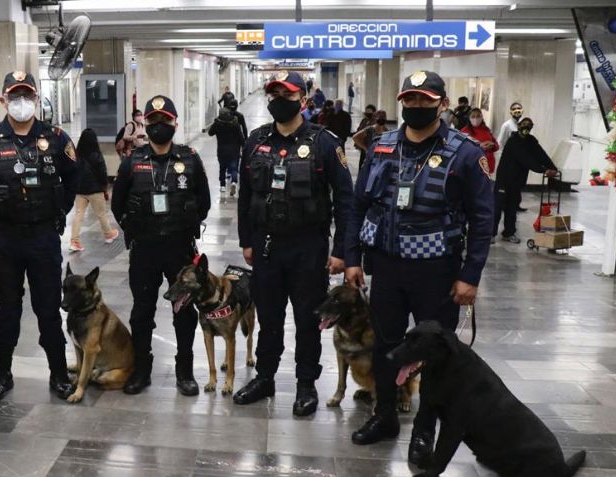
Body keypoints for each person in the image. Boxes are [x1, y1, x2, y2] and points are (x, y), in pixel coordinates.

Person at [344, 71, 494, 469]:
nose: (415, 106)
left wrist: (470, 275)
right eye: (409, 99)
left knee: (435, 356)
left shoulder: (464, 152)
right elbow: (359, 206)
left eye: (425, 100)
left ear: (443, 104)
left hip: (437, 272)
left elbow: (483, 220)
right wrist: (353, 257)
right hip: (387, 268)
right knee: (386, 345)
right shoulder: (381, 146)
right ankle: (385, 415)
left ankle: (424, 430)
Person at [234, 71, 353, 417]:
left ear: (303, 99)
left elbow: (345, 199)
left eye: (286, 95)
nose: (278, 101)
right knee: (268, 317)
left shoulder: (325, 142)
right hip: (267, 246)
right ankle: (265, 377)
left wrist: (341, 250)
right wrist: (246, 240)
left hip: (308, 248)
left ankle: (306, 383)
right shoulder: (255, 141)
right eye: (273, 95)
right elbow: (246, 195)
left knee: (307, 319)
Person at [0, 71, 78, 403]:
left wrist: (58, 212)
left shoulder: (56, 138)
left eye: (27, 96)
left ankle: (57, 373)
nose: (21, 103)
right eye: (15, 97)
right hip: (4, 241)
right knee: (7, 308)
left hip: (43, 238)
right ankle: (2, 375)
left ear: (37, 99)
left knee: (48, 309)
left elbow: (74, 179)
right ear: (3, 100)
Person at [111, 95, 211, 396]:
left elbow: (204, 202)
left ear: (175, 123)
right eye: (152, 121)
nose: (158, 126)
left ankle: (185, 371)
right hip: (144, 250)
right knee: (142, 312)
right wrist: (137, 226)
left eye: (164, 121)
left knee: (183, 311)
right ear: (146, 124)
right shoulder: (133, 162)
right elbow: (117, 205)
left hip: (180, 250)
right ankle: (142, 369)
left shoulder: (190, 159)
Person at [494, 117, 558, 244]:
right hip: (504, 179)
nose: (526, 127)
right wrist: (543, 170)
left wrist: (552, 167)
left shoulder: (531, 141)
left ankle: (509, 233)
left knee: (512, 208)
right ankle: (490, 234)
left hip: (517, 181)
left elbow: (540, 154)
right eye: (523, 124)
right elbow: (525, 159)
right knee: (497, 207)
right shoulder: (513, 141)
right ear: (518, 126)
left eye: (529, 125)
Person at [69, 128, 119, 252]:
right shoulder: (96, 155)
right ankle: (108, 234)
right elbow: (102, 172)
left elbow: (72, 171)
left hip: (80, 190)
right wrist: (105, 186)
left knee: (78, 214)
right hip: (95, 189)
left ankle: (74, 241)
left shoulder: (77, 155)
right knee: (101, 213)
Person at [208, 98, 247, 196]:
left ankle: (222, 186)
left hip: (221, 150)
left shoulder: (217, 123)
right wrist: (244, 146)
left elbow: (210, 133)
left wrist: (215, 123)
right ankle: (233, 182)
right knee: (234, 168)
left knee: (222, 168)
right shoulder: (235, 122)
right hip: (234, 150)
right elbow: (241, 136)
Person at [460, 108, 499, 173]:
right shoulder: (464, 131)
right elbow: (461, 149)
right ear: (469, 118)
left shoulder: (486, 130)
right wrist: (479, 146)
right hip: (473, 167)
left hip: (488, 168)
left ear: (482, 117)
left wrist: (493, 145)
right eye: (473, 116)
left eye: (478, 116)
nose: (476, 119)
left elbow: (496, 145)